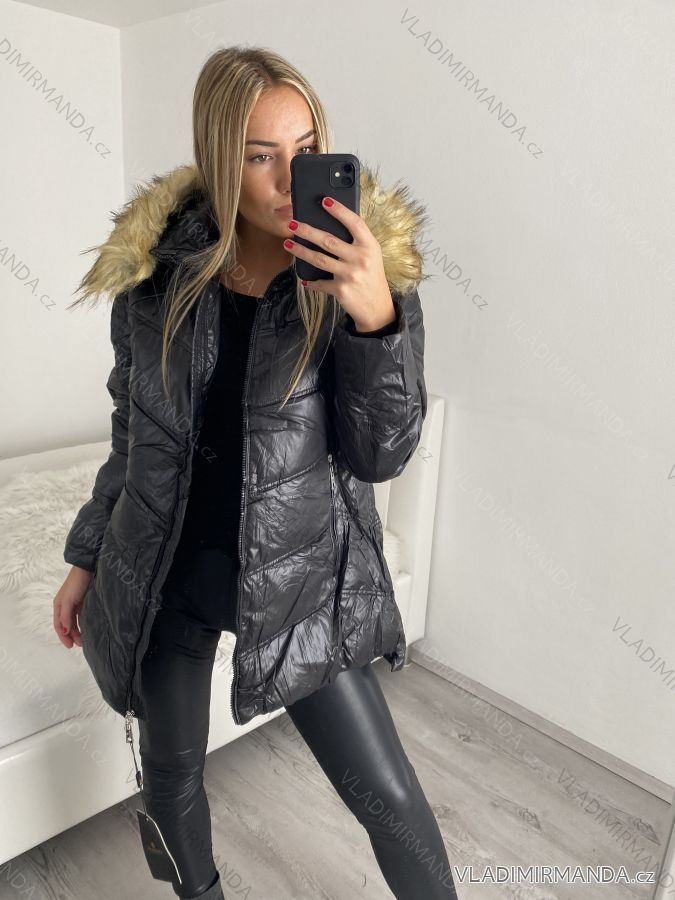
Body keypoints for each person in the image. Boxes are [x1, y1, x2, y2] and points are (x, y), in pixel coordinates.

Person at [53, 46, 457, 899]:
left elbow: (382, 454)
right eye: (258, 155)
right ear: (217, 158)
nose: (285, 179)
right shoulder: (155, 276)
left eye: (302, 150)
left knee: (389, 802)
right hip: (166, 569)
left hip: (298, 578)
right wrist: (87, 555)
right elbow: (132, 433)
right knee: (170, 780)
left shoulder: (356, 278)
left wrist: (375, 321)